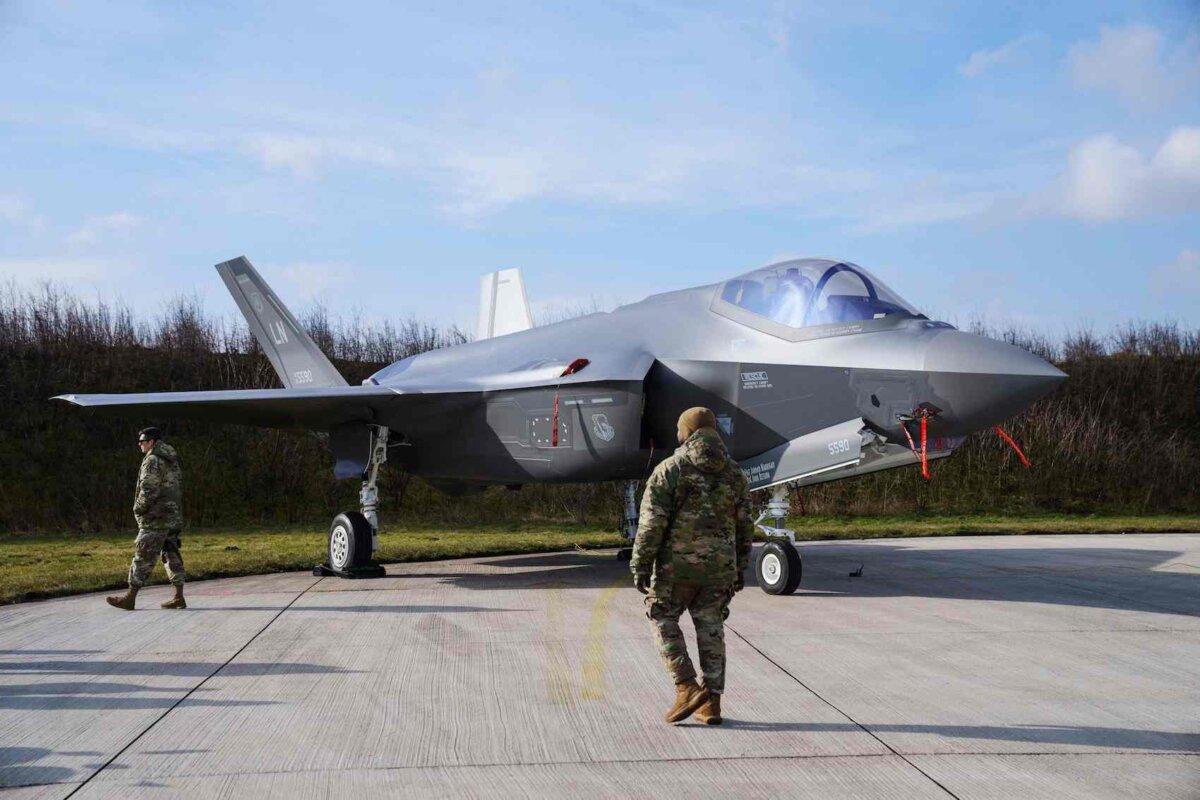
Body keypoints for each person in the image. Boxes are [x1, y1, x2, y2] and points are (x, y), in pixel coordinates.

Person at [630, 407, 753, 725]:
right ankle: (711, 703)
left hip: (677, 568)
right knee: (711, 628)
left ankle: (686, 686)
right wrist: (740, 568)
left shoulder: (670, 468)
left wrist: (641, 564)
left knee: (661, 616)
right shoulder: (735, 473)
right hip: (720, 569)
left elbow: (652, 523)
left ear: (687, 432)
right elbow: (745, 525)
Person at [106, 427, 186, 610]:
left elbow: (149, 489)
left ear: (152, 442)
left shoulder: (152, 460)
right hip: (171, 516)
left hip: (156, 518)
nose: (140, 444)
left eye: (143, 441)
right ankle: (178, 597)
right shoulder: (171, 459)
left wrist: (138, 508)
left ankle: (130, 597)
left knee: (143, 555)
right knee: (171, 554)